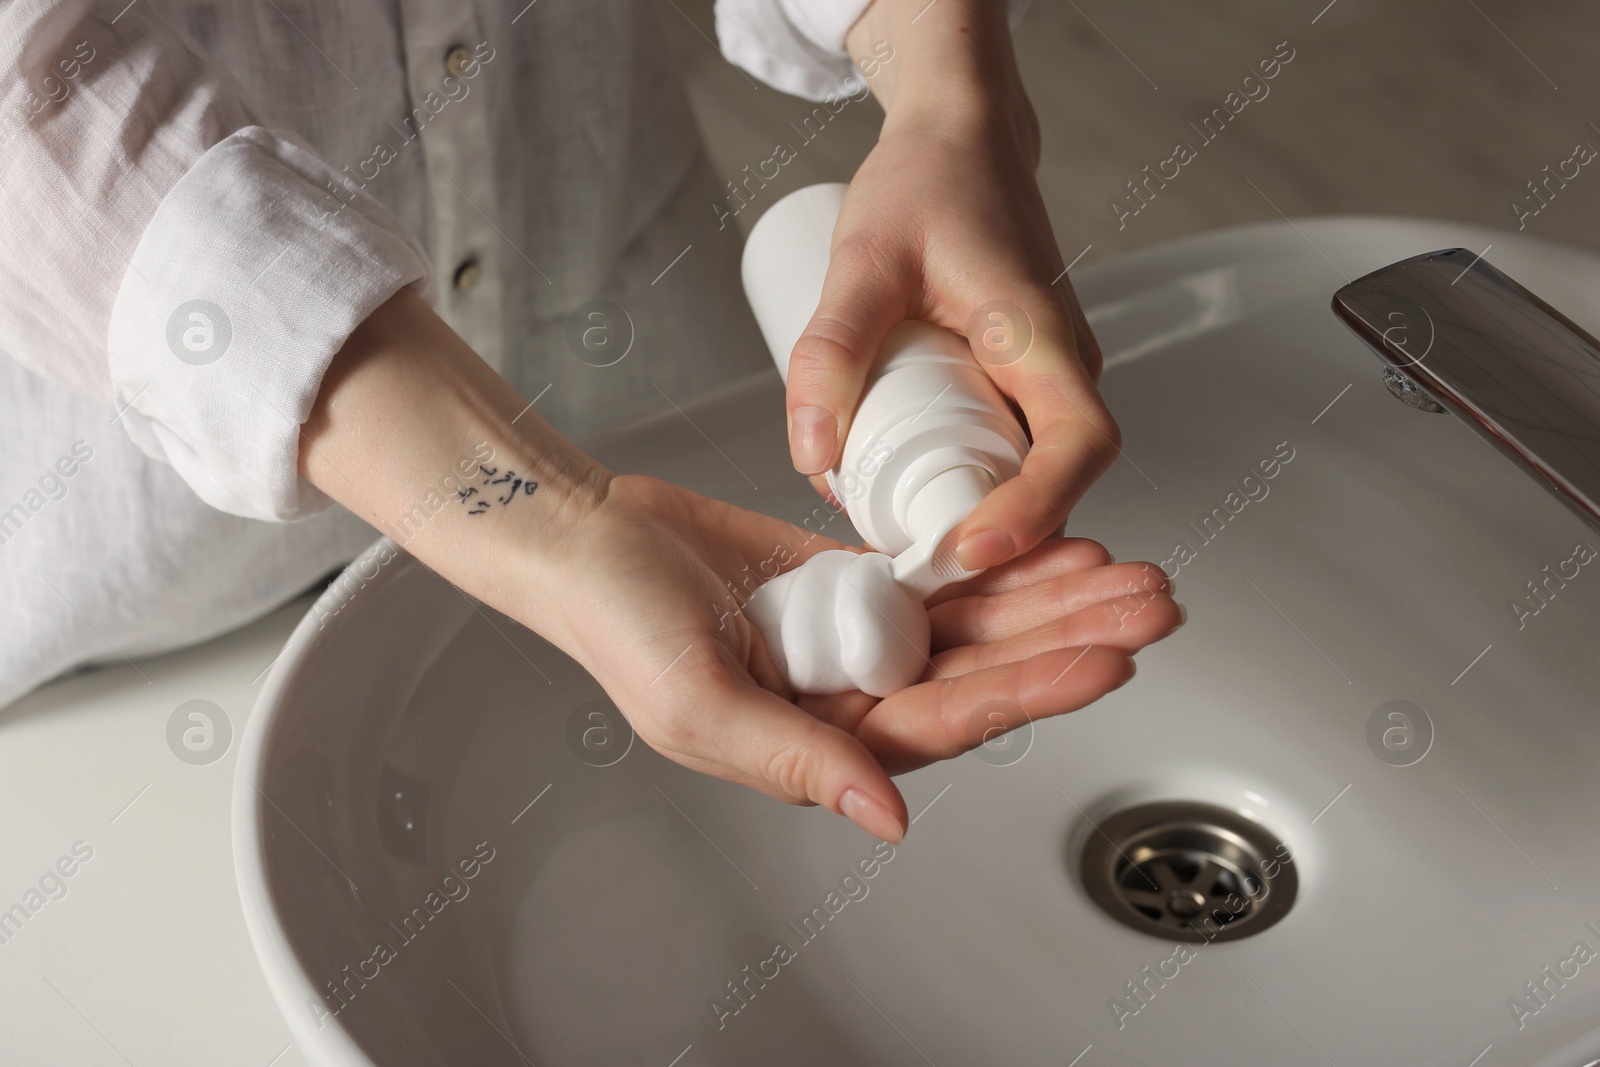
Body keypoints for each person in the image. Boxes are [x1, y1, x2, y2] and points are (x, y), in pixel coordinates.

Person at [0, 0, 1181, 841]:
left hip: (632, 351)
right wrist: (552, 521)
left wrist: (947, 97)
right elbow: (37, 99)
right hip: (134, 593)